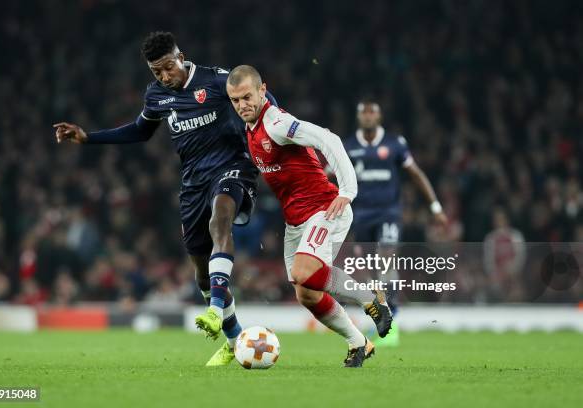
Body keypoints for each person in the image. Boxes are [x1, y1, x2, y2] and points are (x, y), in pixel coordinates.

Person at [53, 32, 276, 366]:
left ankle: (215, 310)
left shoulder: (217, 81)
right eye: (156, 72)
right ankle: (233, 339)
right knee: (201, 273)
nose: (163, 76)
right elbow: (140, 130)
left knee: (221, 217)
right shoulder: (156, 94)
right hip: (192, 184)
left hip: (233, 169)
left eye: (167, 68)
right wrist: (88, 138)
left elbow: (262, 99)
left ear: (180, 57)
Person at [225, 65, 392, 368]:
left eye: (247, 96)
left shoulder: (276, 122)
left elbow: (330, 139)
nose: (242, 105)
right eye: (235, 100)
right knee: (307, 294)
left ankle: (372, 298)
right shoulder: (250, 129)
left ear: (263, 91)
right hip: (296, 221)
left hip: (325, 208)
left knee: (304, 272)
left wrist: (347, 191)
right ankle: (359, 343)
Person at [344, 99, 448, 346]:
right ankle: (382, 321)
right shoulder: (347, 147)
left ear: (379, 116)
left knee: (387, 258)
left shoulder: (394, 144)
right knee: (371, 272)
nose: (368, 116)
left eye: (373, 112)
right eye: (364, 112)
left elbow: (416, 174)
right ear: (358, 117)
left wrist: (435, 206)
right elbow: (326, 175)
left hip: (388, 212)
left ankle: (393, 325)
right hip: (360, 216)